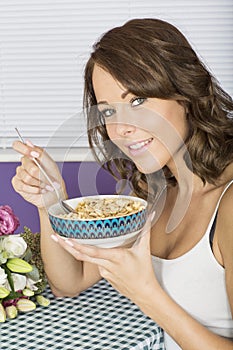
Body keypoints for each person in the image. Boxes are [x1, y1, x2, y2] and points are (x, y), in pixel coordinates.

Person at [12, 18, 233, 349]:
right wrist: (52, 201)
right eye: (108, 112)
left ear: (184, 93)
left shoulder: (228, 205)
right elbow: (70, 282)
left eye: (138, 101)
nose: (122, 128)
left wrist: (145, 293)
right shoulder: (153, 191)